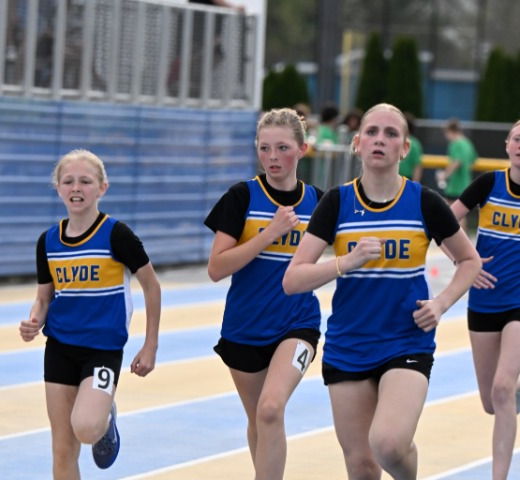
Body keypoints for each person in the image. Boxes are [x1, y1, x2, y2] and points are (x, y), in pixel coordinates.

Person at [283, 103, 481, 480]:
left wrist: (441, 303)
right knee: (361, 467)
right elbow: (293, 280)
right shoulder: (336, 203)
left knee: (389, 444)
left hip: (406, 340)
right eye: (372, 132)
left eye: (391, 134)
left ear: (404, 149)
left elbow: (469, 261)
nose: (380, 140)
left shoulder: (423, 202)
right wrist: (346, 261)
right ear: (357, 143)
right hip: (349, 345)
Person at [19, 149, 161, 479]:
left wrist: (150, 345)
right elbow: (43, 297)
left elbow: (152, 287)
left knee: (85, 428)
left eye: (85, 181)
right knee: (62, 449)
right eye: (68, 181)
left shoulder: (117, 235)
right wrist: (34, 320)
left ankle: (105, 418)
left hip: (102, 349)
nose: (76, 188)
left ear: (102, 188)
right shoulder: (48, 241)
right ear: (58, 188)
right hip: (60, 348)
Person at [204, 107, 323, 479]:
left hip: (297, 324)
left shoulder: (319, 202)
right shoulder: (242, 197)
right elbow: (216, 268)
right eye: (264, 148)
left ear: (302, 150)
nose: (273, 157)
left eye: (282, 148)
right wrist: (269, 233)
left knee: (271, 409)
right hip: (245, 327)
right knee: (259, 418)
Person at [445, 120, 520, 480]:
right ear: (507, 145)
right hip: (485, 301)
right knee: (492, 402)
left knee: (503, 389)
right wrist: (463, 263)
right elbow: (443, 223)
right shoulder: (489, 184)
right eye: (518, 139)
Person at [436, 118, 478, 229]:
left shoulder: (455, 144)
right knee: (461, 213)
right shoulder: (468, 143)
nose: (446, 136)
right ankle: (462, 236)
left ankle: (456, 236)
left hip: (456, 186)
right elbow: (473, 160)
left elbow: (457, 162)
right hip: (466, 183)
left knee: (454, 213)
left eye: (446, 133)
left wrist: (444, 175)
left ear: (451, 131)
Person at [398, 112, 424, 183]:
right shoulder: (396, 141)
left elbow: (417, 166)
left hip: (407, 179)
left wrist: (415, 183)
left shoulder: (414, 144)